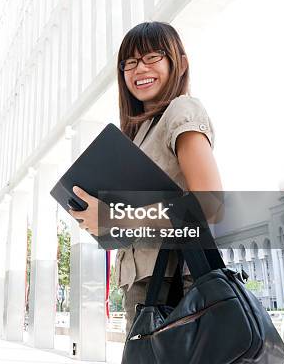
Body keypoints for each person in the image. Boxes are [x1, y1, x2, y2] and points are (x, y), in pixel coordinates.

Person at [67, 21, 223, 334]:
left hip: (176, 286)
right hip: (145, 288)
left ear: (179, 61)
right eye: (131, 62)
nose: (140, 69)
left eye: (152, 57)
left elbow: (210, 205)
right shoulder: (137, 134)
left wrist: (114, 218)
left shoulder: (182, 109)